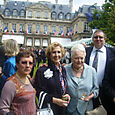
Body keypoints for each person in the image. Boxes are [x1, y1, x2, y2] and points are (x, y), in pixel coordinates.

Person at [32, 42, 70, 115]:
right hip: (49, 109)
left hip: (62, 108)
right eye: (54, 52)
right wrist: (55, 100)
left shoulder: (63, 69)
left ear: (62, 54)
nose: (56, 55)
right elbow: (39, 93)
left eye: (59, 52)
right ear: (49, 54)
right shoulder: (42, 70)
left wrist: (67, 94)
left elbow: (64, 86)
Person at [65, 44, 99, 115]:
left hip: (86, 109)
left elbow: (96, 89)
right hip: (69, 109)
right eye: (76, 58)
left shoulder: (91, 71)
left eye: (81, 58)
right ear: (71, 57)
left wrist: (90, 97)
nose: (79, 61)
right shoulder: (65, 70)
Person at [0, 49, 37, 115]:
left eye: (30, 63)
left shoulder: (28, 79)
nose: (27, 66)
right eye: (24, 62)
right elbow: (3, 108)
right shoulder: (11, 84)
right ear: (17, 64)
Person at [85, 29, 115, 107]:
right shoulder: (86, 52)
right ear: (92, 39)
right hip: (88, 91)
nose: (98, 39)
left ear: (104, 39)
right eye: (96, 37)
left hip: (106, 92)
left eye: (100, 37)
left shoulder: (113, 52)